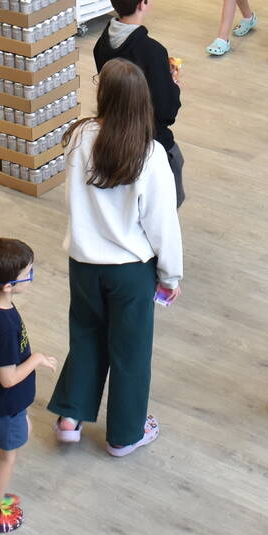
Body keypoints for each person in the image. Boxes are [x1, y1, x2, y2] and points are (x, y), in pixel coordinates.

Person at [49, 59, 183, 458]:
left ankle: (70, 418)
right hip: (130, 272)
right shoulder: (150, 153)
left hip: (83, 263)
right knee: (130, 352)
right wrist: (170, 276)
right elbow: (163, 224)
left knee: (87, 336)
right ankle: (124, 434)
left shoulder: (79, 137)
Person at [0, 237, 57, 535]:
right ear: (7, 285)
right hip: (4, 403)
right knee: (9, 454)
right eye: (27, 274)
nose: (31, 277)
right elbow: (8, 378)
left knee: (7, 444)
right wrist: (36, 359)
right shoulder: (3, 326)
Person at [91, 0, 185, 206]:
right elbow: (166, 112)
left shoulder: (101, 44)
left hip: (112, 134)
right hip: (149, 139)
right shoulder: (152, 52)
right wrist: (173, 86)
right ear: (142, 3)